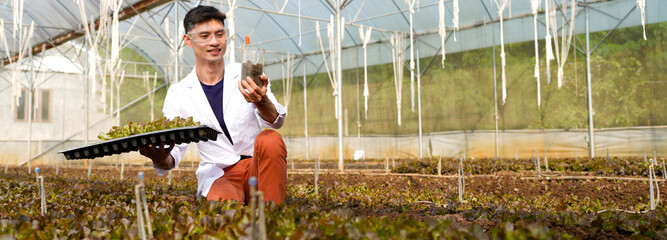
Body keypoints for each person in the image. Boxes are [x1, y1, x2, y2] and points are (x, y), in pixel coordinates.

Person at [138, 5, 288, 204]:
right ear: (188, 40)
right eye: (205, 36)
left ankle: (273, 212)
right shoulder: (179, 93)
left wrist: (262, 101)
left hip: (257, 167)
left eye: (220, 34)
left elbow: (275, 121)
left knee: (270, 138)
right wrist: (159, 157)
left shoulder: (247, 74)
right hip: (220, 173)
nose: (215, 42)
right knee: (226, 214)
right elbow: (173, 153)